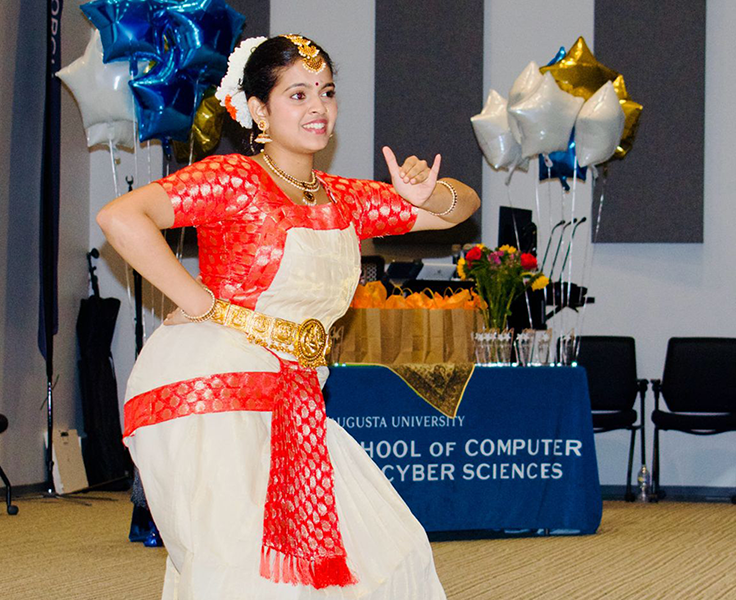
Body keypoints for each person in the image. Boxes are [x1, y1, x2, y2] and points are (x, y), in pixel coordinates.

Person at [97, 33, 479, 599]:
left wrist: (429, 195)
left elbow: (460, 211)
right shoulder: (233, 179)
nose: (318, 107)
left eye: (325, 91)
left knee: (388, 549)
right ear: (258, 110)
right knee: (245, 567)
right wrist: (201, 301)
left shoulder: (340, 197)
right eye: (297, 94)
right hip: (213, 387)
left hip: (293, 392)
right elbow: (121, 217)